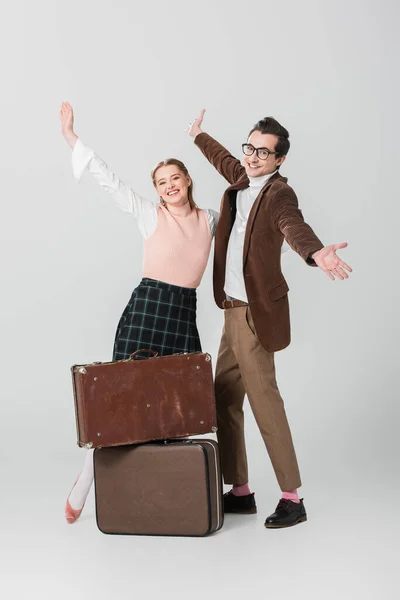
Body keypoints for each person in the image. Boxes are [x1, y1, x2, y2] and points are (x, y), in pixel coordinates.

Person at [187, 110, 352, 528]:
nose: (253, 156)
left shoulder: (279, 194)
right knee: (223, 395)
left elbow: (293, 226)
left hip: (255, 314)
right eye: (250, 147)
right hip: (231, 310)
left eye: (264, 152)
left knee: (265, 402)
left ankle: (292, 499)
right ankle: (240, 490)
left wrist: (316, 253)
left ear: (279, 160)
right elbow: (223, 158)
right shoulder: (241, 179)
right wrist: (198, 135)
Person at [60, 102, 219, 523]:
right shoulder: (149, 215)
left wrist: (202, 137)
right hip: (148, 307)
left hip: (183, 311)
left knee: (175, 402)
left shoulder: (211, 219)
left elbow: (246, 208)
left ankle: (166, 487)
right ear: (156, 189)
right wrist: (73, 139)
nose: (169, 186)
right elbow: (108, 180)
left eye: (175, 178)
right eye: (161, 182)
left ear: (188, 180)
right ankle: (87, 477)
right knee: (124, 397)